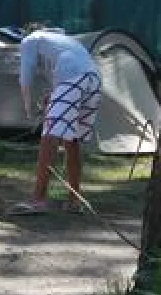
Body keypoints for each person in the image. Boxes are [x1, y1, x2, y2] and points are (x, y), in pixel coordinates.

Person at [10, 27, 102, 215]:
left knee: (49, 135)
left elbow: (25, 79)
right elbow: (67, 76)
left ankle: (38, 199)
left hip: (73, 77)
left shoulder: (30, 40)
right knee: (71, 138)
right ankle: (74, 200)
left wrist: (29, 110)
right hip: (95, 78)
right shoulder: (63, 42)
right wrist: (53, 99)